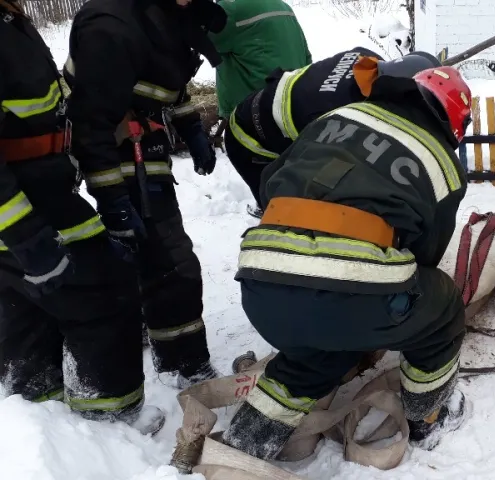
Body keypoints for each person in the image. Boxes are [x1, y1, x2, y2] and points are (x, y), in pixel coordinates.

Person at [221, 65, 473, 459]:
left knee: (318, 353)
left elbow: (270, 180)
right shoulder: (441, 161)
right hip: (351, 297)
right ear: (456, 121)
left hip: (260, 287)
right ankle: (428, 414)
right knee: (442, 306)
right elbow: (425, 257)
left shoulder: (335, 117)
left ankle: (247, 440)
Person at [0, 0, 164, 434]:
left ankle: (41, 421)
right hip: (29, 209)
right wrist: (26, 236)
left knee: (22, 312)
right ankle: (112, 423)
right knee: (103, 294)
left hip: (37, 196)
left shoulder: (10, 21)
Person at [63, 0, 226, 388]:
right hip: (107, 152)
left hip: (142, 148)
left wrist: (191, 128)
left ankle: (175, 353)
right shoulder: (112, 28)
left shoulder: (171, 16)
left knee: (161, 260)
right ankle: (184, 364)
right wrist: (112, 199)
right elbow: (90, 125)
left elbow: (167, 80)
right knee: (168, 262)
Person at [223, 48, 442, 215]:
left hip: (265, 103)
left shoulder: (364, 56)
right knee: (285, 215)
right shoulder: (338, 115)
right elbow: (325, 172)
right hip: (249, 142)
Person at [209, 0, 312, 123]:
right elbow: (306, 54)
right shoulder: (283, 6)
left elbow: (199, 38)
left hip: (253, 109)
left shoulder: (230, 9)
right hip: (293, 99)